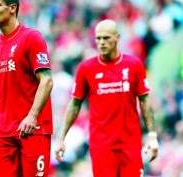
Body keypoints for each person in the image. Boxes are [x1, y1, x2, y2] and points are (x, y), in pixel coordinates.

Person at [55, 19, 159, 177]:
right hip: (101, 145)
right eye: (98, 38)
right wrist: (61, 138)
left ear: (117, 37)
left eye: (106, 38)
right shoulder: (86, 69)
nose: (101, 42)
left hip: (130, 144)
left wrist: (152, 136)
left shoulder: (134, 65)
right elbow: (75, 103)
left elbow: (144, 101)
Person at [0, 0, 53, 177]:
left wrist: (32, 116)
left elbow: (46, 81)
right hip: (2, 131)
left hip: (31, 130)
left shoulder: (31, 38)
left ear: (12, 8)